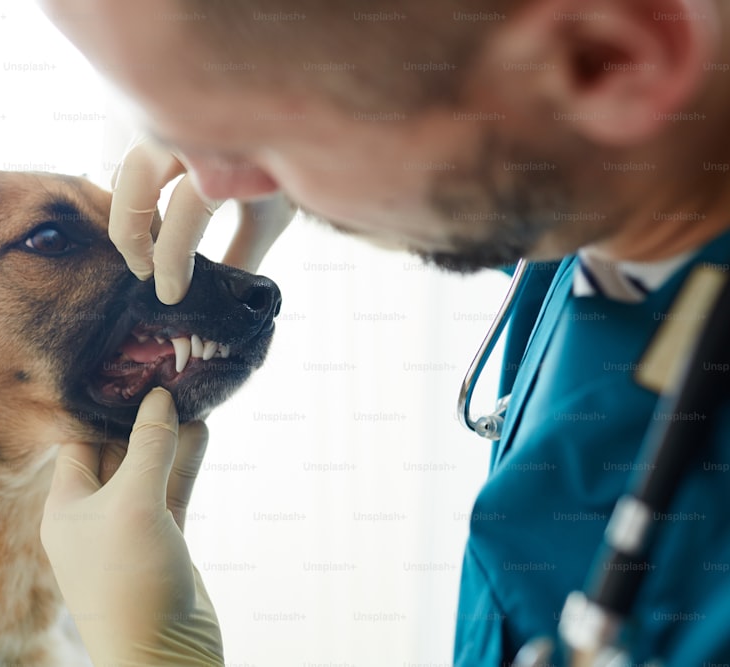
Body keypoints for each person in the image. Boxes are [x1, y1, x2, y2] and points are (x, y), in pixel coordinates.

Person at [37, 1, 730, 665]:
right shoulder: (605, 194)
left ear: (605, 60)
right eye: (176, 127)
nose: (214, 179)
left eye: (256, 135)